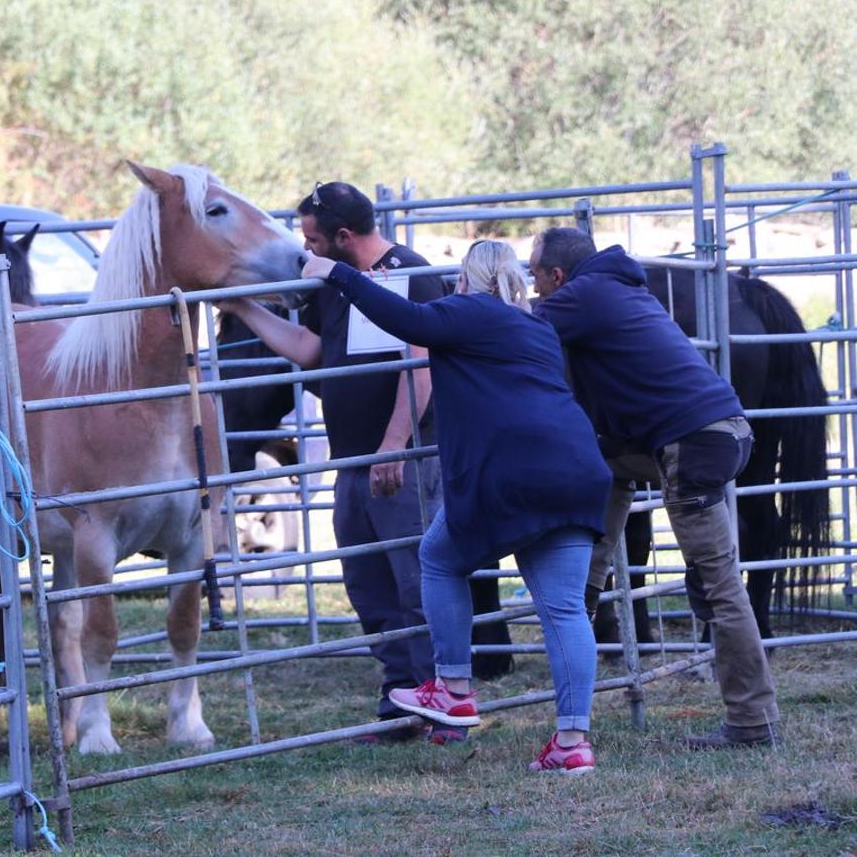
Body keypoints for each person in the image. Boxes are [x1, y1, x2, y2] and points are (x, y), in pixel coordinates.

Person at [302, 240, 610, 774]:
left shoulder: (469, 310)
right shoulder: (536, 327)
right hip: (576, 469)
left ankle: (453, 688)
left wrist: (338, 274)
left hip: (508, 473)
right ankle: (572, 742)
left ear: (467, 277)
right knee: (562, 610)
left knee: (440, 559)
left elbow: (405, 318)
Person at [530, 227, 781, 749]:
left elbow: (514, 333)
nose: (534, 286)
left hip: (693, 445)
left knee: (719, 586)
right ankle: (586, 587)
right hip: (715, 432)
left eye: (534, 275)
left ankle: (753, 721)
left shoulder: (582, 295)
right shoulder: (617, 287)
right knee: (608, 464)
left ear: (556, 276)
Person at [221, 181, 448, 741]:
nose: (307, 248)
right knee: (369, 585)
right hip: (352, 459)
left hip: (403, 458)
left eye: (314, 239)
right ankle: (400, 701)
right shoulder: (332, 283)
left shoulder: (408, 274)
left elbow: (421, 366)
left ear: (344, 237)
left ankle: (442, 701)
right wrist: (243, 307)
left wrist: (394, 445)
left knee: (417, 582)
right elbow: (312, 351)